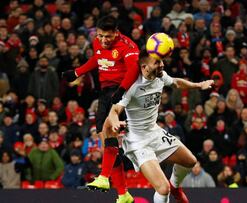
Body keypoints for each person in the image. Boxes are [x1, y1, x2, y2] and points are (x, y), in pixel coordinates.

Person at [105, 49, 214, 203]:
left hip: (154, 132)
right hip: (138, 143)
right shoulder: (132, 86)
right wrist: (115, 121)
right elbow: (114, 110)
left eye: (161, 61)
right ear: (144, 67)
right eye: (157, 62)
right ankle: (169, 190)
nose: (162, 65)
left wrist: (198, 85)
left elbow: (176, 82)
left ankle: (176, 186)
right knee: (163, 189)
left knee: (190, 161)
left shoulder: (160, 76)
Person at [62, 15, 139, 203]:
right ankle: (123, 194)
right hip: (105, 93)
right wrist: (77, 72)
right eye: (100, 36)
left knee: (109, 134)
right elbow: (97, 60)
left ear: (117, 33)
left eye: (108, 37)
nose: (103, 40)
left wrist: (121, 92)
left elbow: (133, 71)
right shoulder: (97, 42)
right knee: (106, 142)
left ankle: (104, 178)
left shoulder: (128, 47)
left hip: (123, 93)